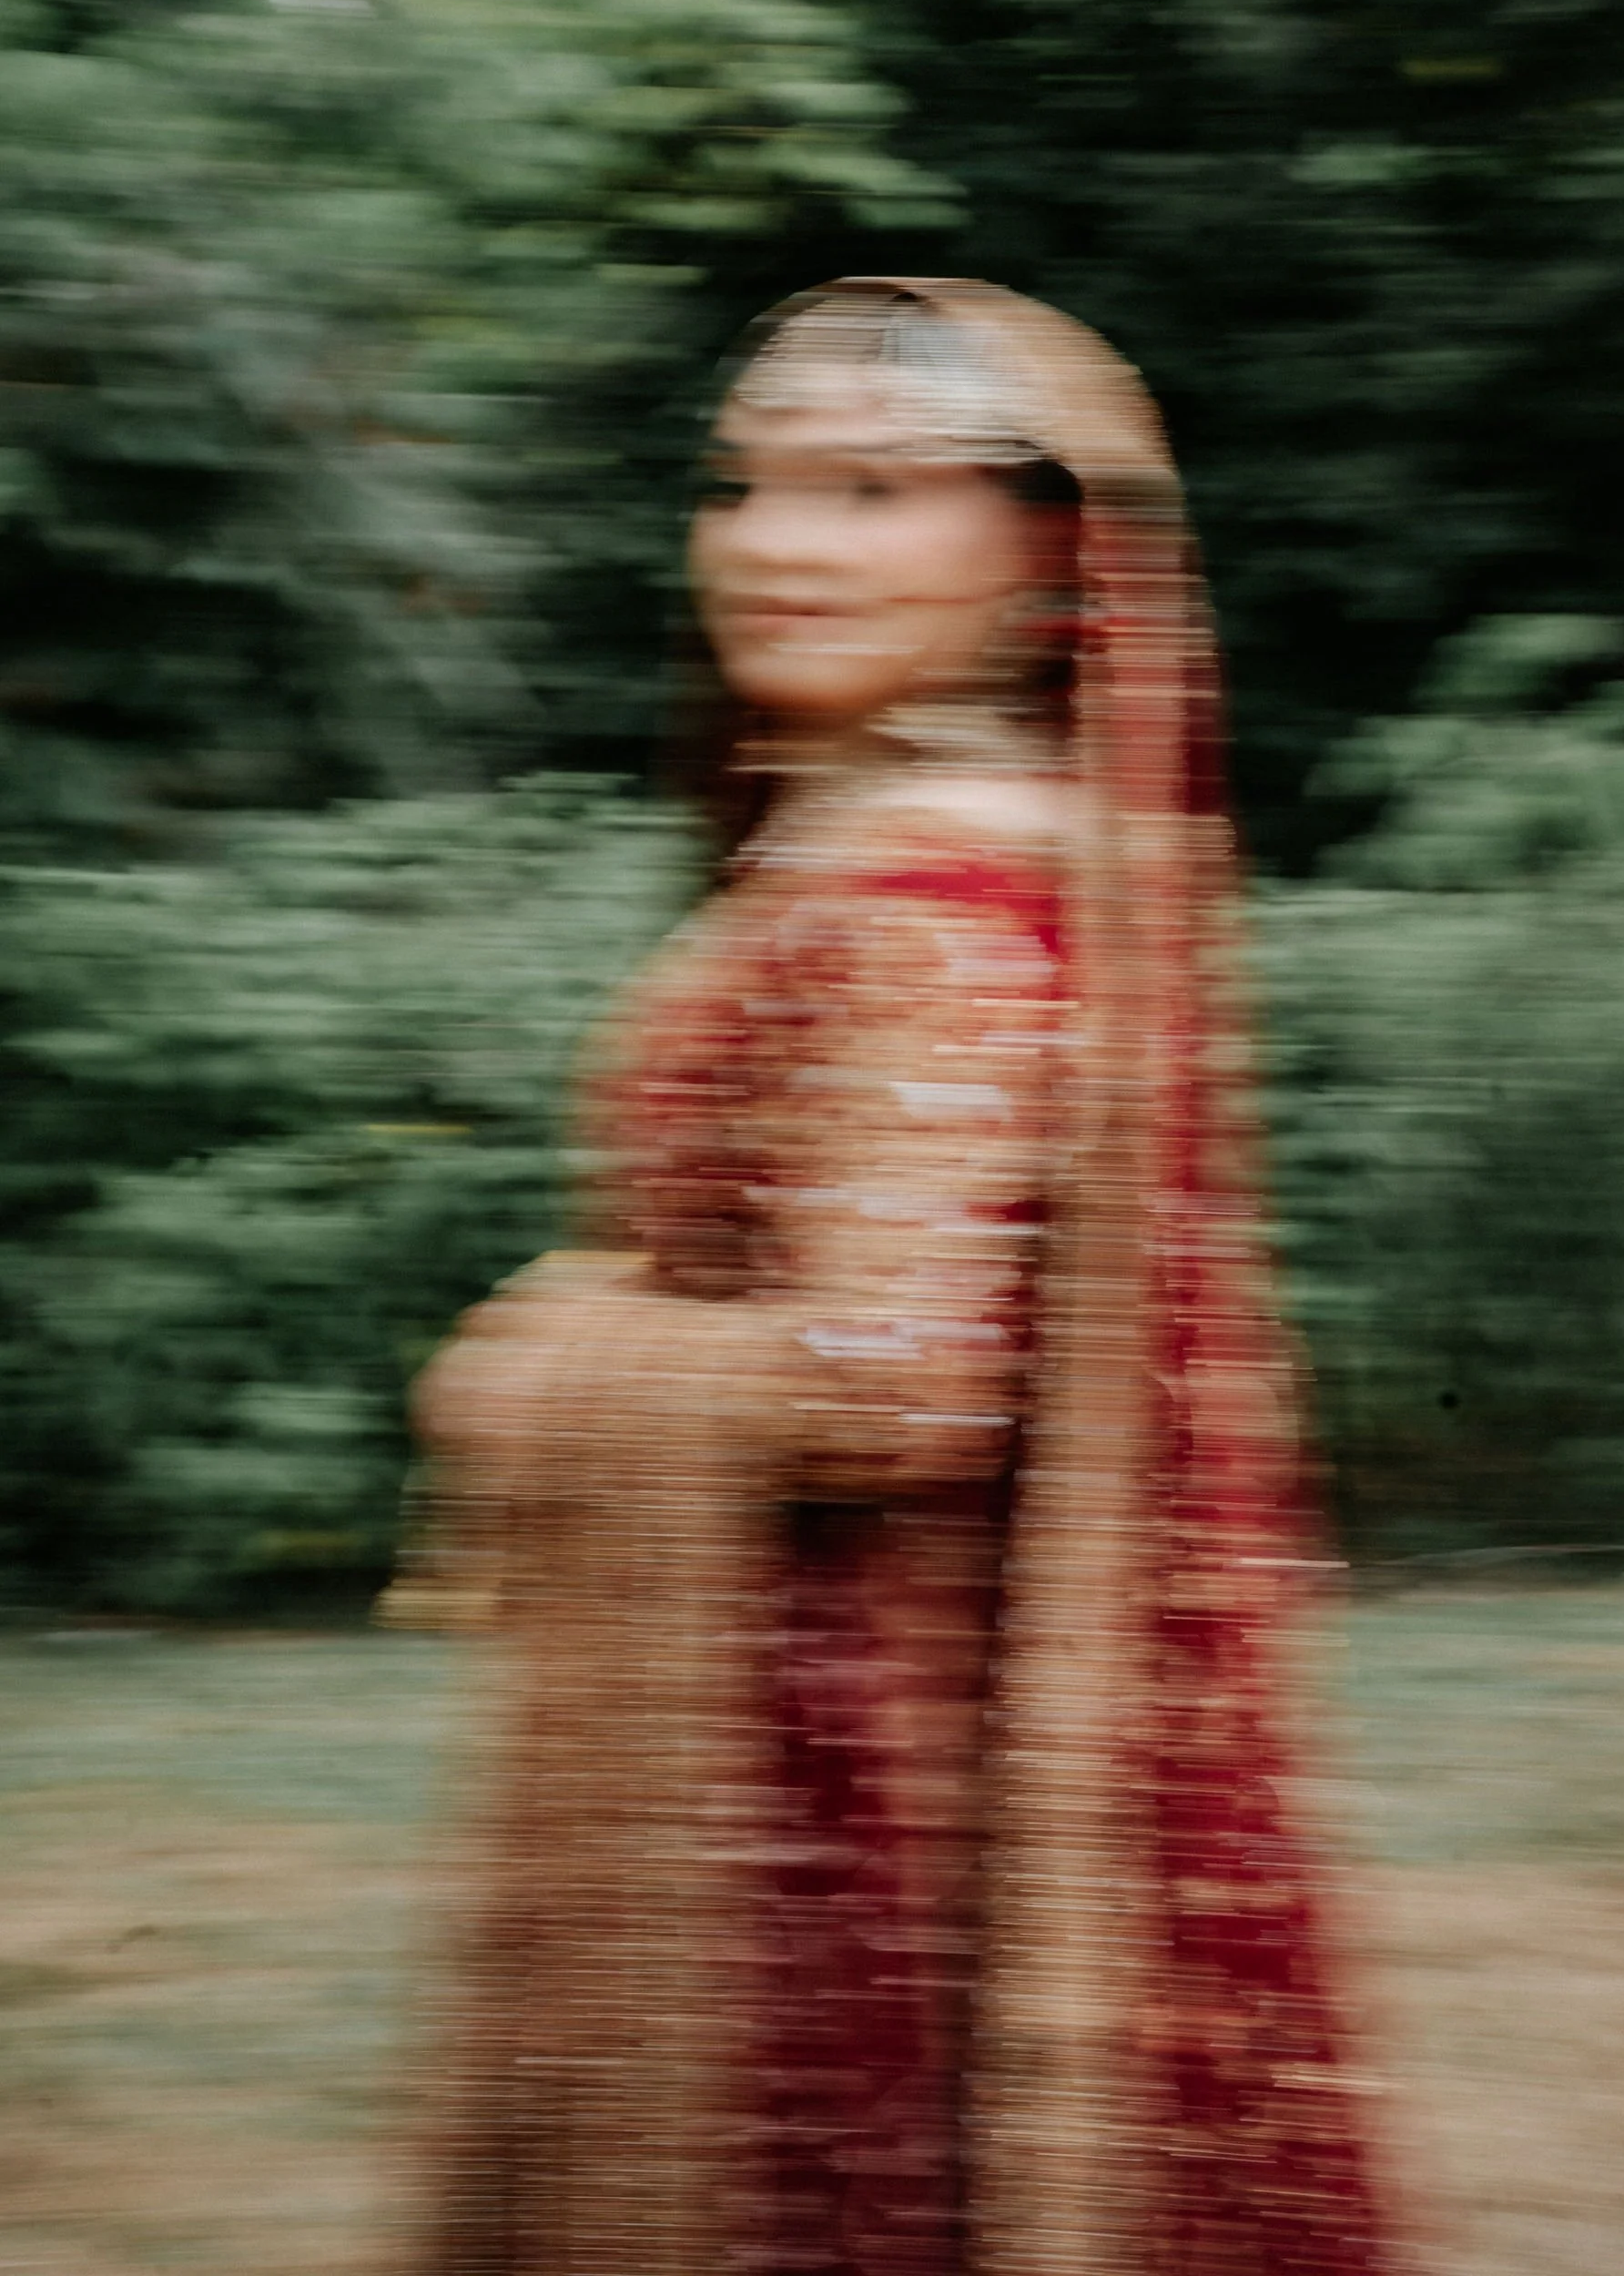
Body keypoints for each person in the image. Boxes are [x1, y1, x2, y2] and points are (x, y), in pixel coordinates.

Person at [392, 279, 1403, 2276]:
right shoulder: (937, 847)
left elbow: (890, 1385)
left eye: (868, 490)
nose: (771, 544)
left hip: (842, 1767)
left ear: (1048, 555)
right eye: (743, 484)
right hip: (815, 1699)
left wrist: (546, 1363)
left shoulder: (927, 896)